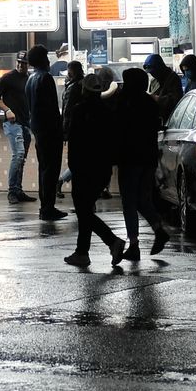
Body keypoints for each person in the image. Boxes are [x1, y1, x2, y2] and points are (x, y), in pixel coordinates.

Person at [64, 68, 126, 267]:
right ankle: (82, 252)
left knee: (84, 212)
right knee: (85, 210)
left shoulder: (78, 111)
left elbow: (73, 140)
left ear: (84, 90)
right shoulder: (109, 112)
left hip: (83, 169)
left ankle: (112, 241)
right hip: (102, 170)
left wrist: (72, 167)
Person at [110, 66, 170, 260]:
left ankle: (134, 244)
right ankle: (158, 228)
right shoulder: (149, 102)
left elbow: (117, 129)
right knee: (142, 199)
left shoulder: (124, 102)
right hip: (149, 158)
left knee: (129, 202)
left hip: (130, 159)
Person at [25, 44, 69, 220]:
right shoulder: (45, 79)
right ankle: (48, 208)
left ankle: (45, 206)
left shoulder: (30, 79)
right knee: (51, 170)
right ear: (42, 59)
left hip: (38, 130)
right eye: (46, 57)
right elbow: (51, 109)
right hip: (50, 131)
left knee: (44, 170)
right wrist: (61, 130)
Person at [0, 53, 34, 202]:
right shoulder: (8, 78)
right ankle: (12, 191)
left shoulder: (29, 79)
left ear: (29, 64)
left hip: (26, 123)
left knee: (22, 158)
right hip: (13, 123)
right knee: (19, 154)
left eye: (24, 63)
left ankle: (18, 190)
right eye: (19, 62)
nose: (20, 65)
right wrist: (7, 110)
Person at [143, 54, 183, 121]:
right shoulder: (154, 80)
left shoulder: (173, 78)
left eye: (154, 72)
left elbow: (176, 100)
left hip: (170, 118)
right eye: (151, 73)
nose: (153, 75)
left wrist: (158, 99)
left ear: (159, 68)